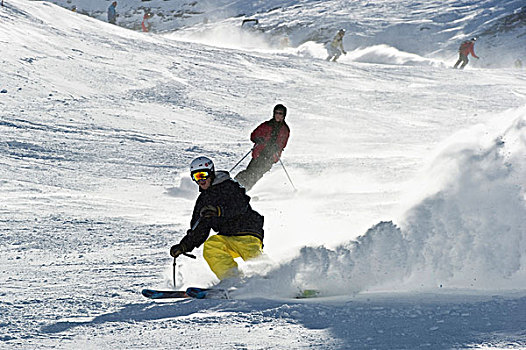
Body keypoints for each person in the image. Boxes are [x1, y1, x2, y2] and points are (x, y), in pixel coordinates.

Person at [170, 156, 264, 281]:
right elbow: (199, 227)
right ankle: (232, 280)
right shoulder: (203, 201)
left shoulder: (228, 186)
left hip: (247, 232)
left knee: (253, 257)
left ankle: (273, 279)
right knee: (212, 246)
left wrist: (219, 211)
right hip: (228, 236)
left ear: (211, 173)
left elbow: (241, 205)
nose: (201, 180)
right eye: (196, 177)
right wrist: (184, 246)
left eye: (203, 175)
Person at [234, 104, 290, 191]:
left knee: (257, 175)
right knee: (250, 172)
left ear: (284, 115)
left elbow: (284, 143)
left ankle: (243, 190)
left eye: (280, 113)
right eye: (276, 113)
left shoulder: (285, 129)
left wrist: (278, 147)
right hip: (259, 153)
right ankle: (235, 185)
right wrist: (258, 139)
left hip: (270, 157)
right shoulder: (266, 125)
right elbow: (253, 135)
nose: (278, 115)